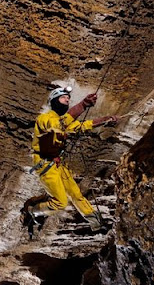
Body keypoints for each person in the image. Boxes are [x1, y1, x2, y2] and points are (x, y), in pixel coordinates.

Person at [22, 83, 119, 236]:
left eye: (68, 98)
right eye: (63, 98)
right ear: (54, 101)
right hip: (45, 165)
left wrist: (105, 120)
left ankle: (97, 223)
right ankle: (32, 211)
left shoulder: (63, 122)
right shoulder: (45, 118)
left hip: (58, 163)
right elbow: (59, 125)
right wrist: (83, 105)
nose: (67, 100)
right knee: (60, 203)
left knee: (76, 194)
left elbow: (83, 125)